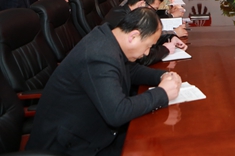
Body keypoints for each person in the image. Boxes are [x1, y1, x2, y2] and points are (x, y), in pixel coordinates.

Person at [26, 8, 182, 156]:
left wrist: (162, 76)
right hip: (71, 146)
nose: (147, 53)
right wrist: (162, 93)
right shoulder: (99, 55)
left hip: (94, 131)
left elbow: (131, 70)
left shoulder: (110, 39)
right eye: (148, 46)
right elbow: (117, 112)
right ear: (133, 36)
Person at [103, 0, 188, 65]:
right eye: (154, 9)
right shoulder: (122, 20)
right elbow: (142, 57)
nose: (154, 14)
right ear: (142, 4)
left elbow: (146, 38)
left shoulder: (129, 13)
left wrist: (169, 37)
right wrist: (165, 49)